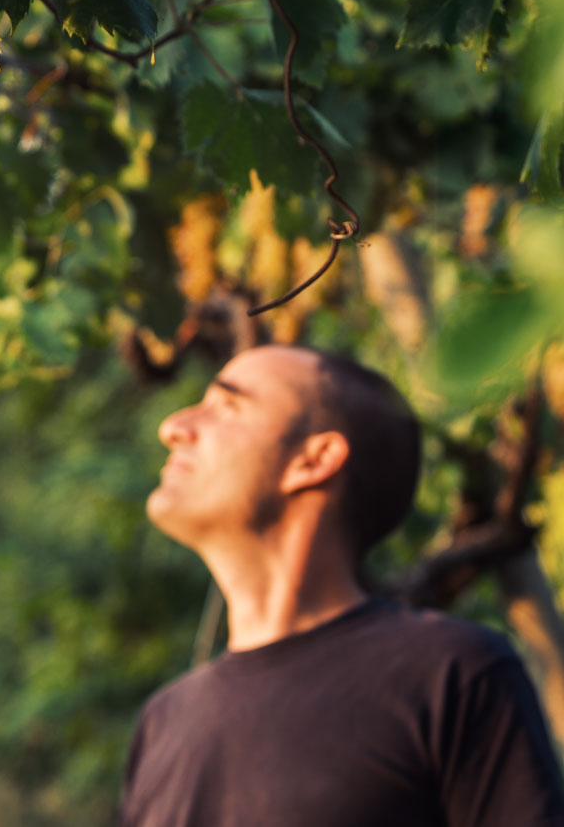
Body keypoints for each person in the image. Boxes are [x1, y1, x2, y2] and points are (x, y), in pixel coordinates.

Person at [122, 344, 564, 827]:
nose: (174, 428)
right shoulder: (162, 724)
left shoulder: (451, 675)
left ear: (314, 460)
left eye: (226, 407)